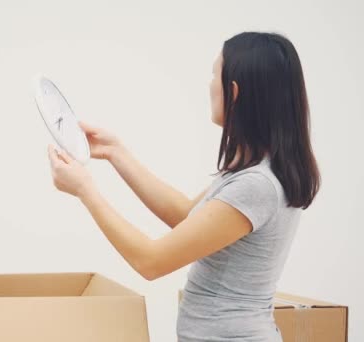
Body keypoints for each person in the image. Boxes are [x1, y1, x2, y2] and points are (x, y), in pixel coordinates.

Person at [46, 31, 320, 341]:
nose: (208, 85)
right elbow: (188, 217)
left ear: (234, 91)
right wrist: (115, 152)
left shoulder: (256, 185)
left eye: (213, 74)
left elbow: (151, 261)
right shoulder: (258, 172)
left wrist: (86, 191)